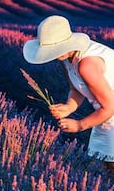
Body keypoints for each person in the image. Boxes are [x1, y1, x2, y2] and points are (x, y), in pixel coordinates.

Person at [23, 15, 114, 171]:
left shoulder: (87, 65)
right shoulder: (67, 58)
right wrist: (69, 107)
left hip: (109, 109)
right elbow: (76, 89)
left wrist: (79, 125)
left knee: (107, 164)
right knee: (106, 164)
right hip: (106, 112)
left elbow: (110, 106)